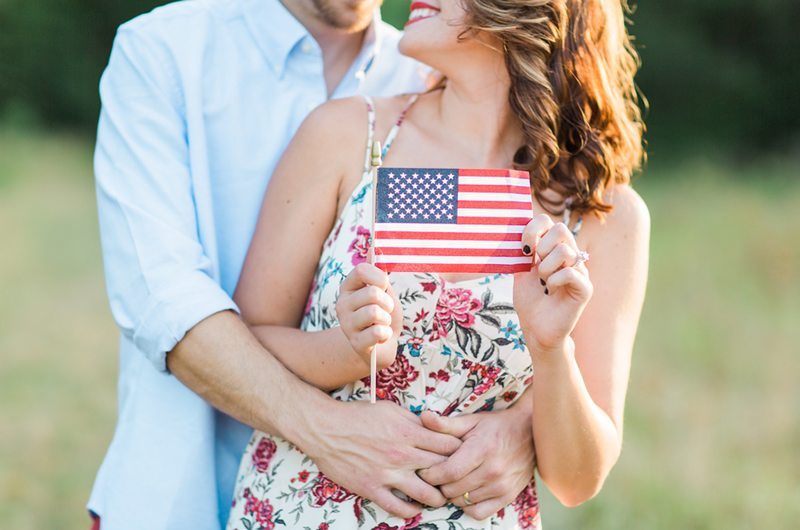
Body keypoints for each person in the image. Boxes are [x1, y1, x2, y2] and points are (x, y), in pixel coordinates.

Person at [90, 0, 540, 528]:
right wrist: (325, 429)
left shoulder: (429, 69)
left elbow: (465, 306)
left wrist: (527, 426)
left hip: (380, 502)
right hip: (177, 486)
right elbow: (163, 296)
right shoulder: (165, 51)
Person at [225, 0, 650, 528]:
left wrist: (551, 350)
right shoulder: (349, 135)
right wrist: (347, 351)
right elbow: (248, 341)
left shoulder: (604, 214)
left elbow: (577, 480)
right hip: (302, 510)